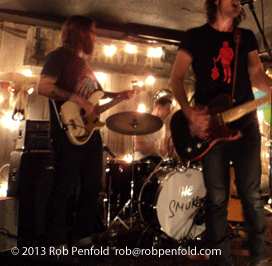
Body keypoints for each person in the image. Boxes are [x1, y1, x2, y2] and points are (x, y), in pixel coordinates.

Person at [170, 0, 272, 266]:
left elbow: (256, 74)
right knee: (217, 198)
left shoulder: (246, 36)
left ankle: (259, 258)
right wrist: (189, 113)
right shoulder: (194, 36)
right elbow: (176, 78)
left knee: (252, 194)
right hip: (210, 127)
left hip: (246, 125)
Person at [37, 15, 134, 250]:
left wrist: (120, 95)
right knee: (63, 186)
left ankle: (84, 239)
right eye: (92, 32)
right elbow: (43, 86)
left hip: (90, 133)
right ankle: (56, 242)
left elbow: (96, 97)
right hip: (67, 131)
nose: (95, 37)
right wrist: (75, 98)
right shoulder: (58, 57)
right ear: (79, 33)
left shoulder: (85, 66)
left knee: (92, 184)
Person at [134, 90, 175, 160]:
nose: (170, 112)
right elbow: (137, 146)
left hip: (156, 159)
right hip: (143, 160)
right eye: (167, 109)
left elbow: (161, 151)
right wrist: (151, 147)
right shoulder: (143, 121)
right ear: (159, 108)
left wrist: (171, 147)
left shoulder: (163, 126)